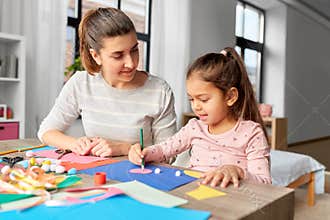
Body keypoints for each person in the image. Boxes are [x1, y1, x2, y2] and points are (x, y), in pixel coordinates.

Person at [38, 7, 177, 157]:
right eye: (118, 55)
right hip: (95, 175)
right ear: (96, 56)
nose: (131, 63)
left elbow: (169, 154)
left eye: (134, 50)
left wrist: (125, 149)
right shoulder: (81, 83)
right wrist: (75, 143)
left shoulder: (159, 91)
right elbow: (46, 132)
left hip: (142, 177)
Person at [129, 47, 271, 188]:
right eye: (191, 99)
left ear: (230, 97)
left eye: (203, 99)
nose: (196, 106)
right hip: (196, 196)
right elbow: (164, 150)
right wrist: (145, 153)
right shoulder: (194, 127)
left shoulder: (251, 133)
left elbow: (265, 183)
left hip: (233, 202)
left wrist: (238, 172)